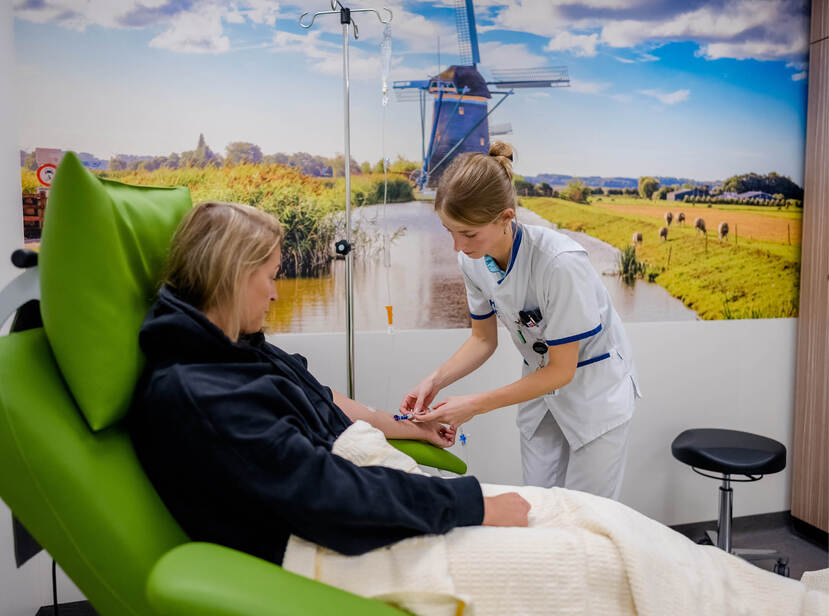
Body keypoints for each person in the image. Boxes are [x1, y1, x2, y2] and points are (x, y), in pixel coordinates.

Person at [128, 200, 530, 567]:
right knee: (569, 549)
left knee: (569, 516)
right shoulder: (203, 394)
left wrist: (412, 428)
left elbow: (323, 399)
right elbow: (330, 495)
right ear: (233, 277)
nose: (274, 296)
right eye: (270, 278)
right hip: (325, 546)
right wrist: (476, 506)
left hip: (364, 494)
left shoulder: (238, 348)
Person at [401, 143, 641, 498]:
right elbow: (483, 340)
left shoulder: (559, 264)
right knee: (539, 503)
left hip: (594, 391)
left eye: (468, 233)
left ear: (506, 218)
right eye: (449, 230)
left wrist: (473, 406)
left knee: (587, 515)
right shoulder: (472, 258)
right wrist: (434, 382)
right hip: (539, 388)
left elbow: (563, 371)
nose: (457, 245)